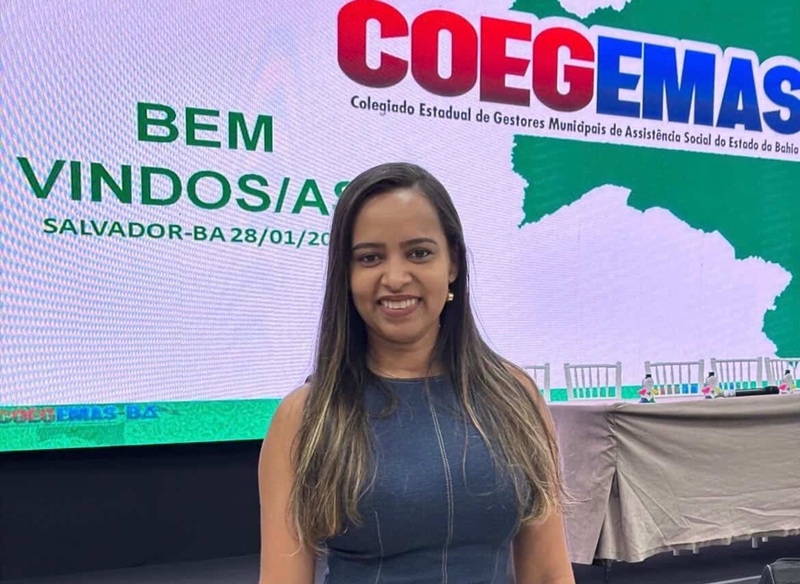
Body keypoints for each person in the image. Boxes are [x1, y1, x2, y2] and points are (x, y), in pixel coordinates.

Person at [258, 162, 574, 584]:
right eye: (370, 258)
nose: (394, 278)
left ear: (453, 263)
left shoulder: (515, 397)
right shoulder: (305, 418)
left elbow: (549, 573)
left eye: (419, 253)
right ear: (346, 275)